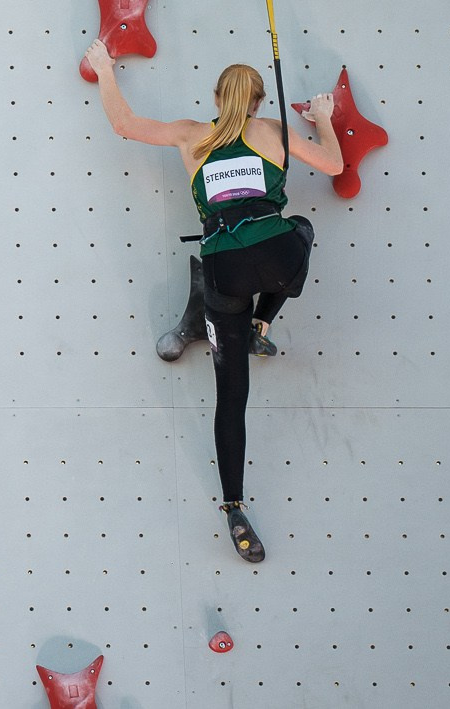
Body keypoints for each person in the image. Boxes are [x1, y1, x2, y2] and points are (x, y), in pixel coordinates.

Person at [82, 39, 342, 564]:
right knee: (303, 229)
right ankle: (263, 323)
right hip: (278, 259)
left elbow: (124, 125)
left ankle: (234, 507)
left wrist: (105, 71)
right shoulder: (272, 132)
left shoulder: (191, 135)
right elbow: (334, 166)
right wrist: (322, 117)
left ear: (218, 98)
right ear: (258, 102)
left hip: (223, 271)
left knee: (231, 397)